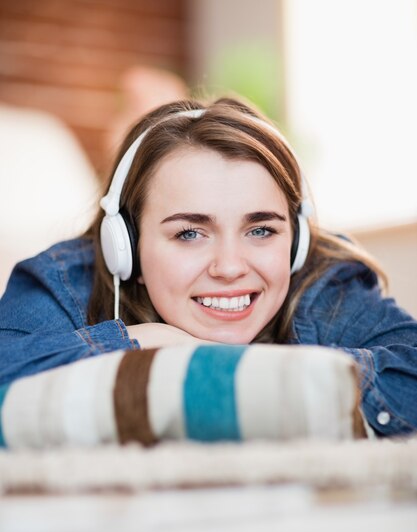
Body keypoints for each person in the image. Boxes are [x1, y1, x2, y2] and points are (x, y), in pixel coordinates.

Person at [0, 97, 416, 444]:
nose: (231, 267)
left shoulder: (322, 286)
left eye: (260, 230)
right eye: (190, 234)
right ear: (125, 246)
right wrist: (139, 342)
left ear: (296, 241)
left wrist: (213, 365)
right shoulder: (66, 280)